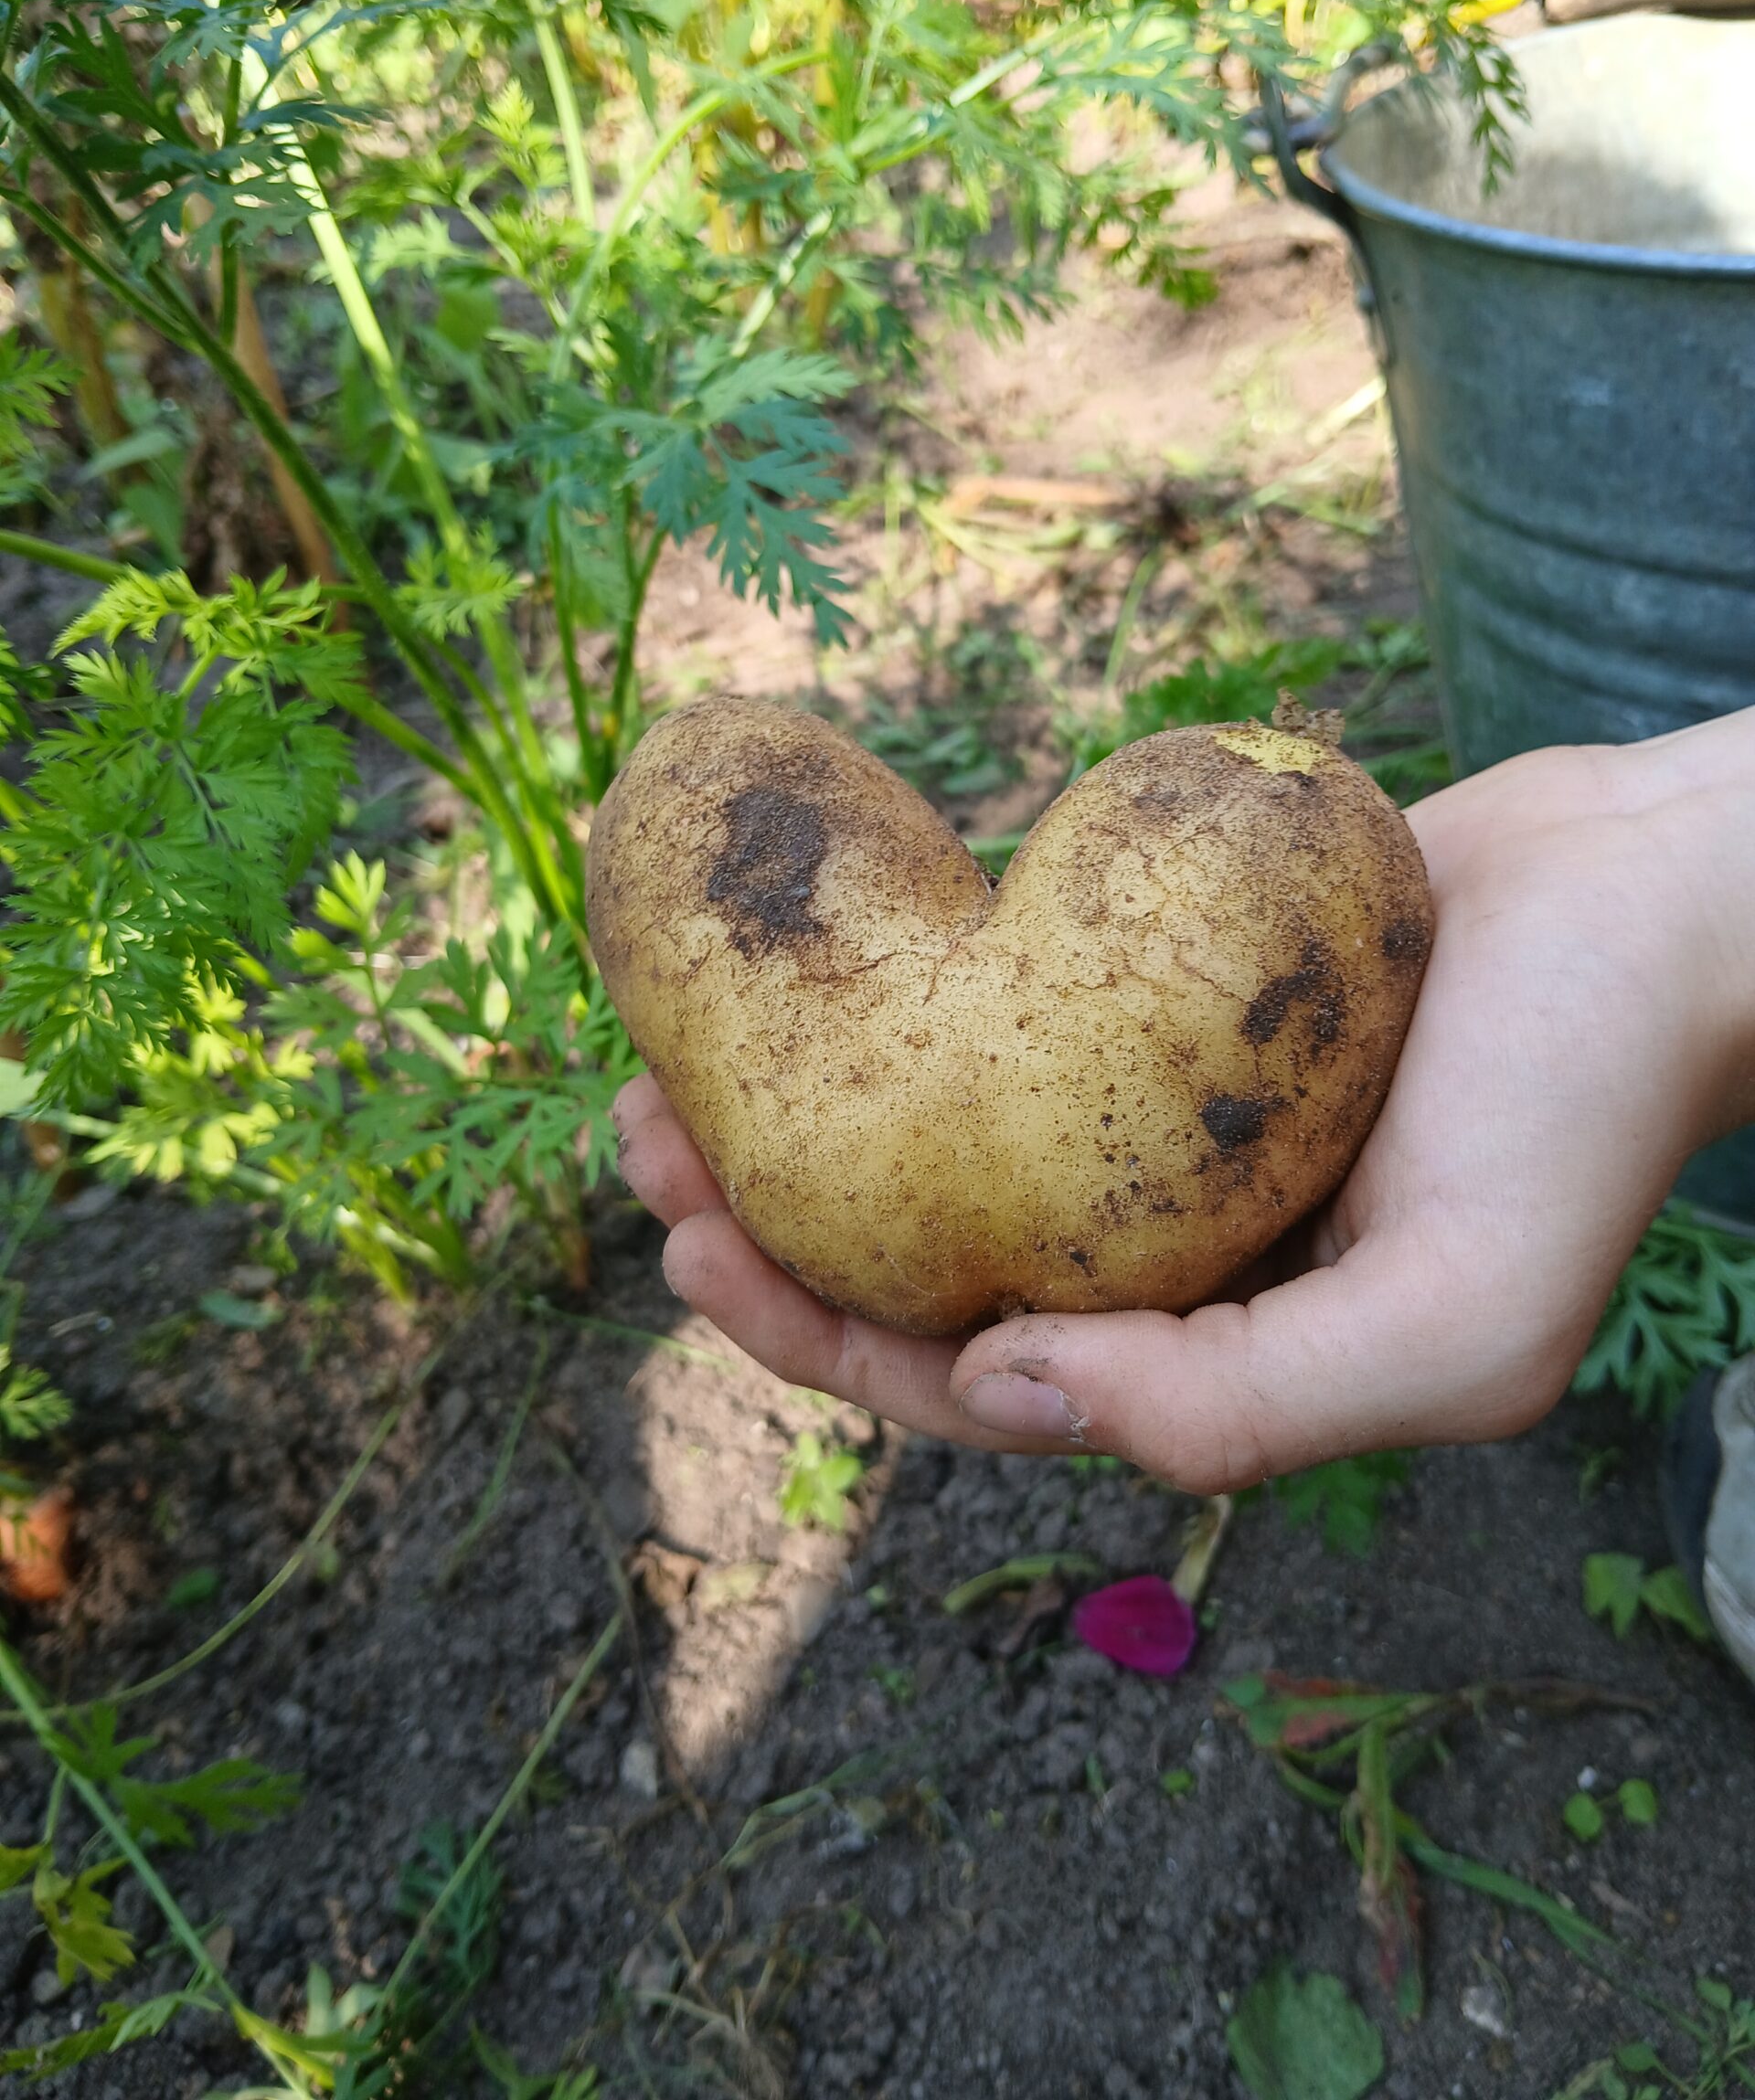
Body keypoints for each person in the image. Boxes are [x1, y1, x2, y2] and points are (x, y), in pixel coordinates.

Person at [612, 708, 1755, 1681]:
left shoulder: (1291, 814)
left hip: (888, 1249)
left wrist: (1677, 915)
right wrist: (1678, 894)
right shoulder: (1287, 796)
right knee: (705, 777)